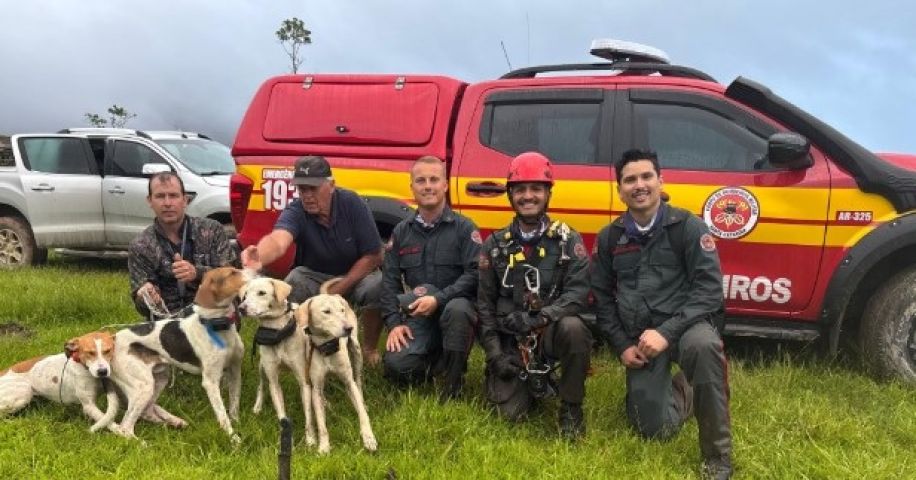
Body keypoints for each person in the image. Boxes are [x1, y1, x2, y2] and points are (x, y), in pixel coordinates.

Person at [590, 149, 733, 479]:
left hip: (687, 328)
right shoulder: (610, 237)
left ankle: (718, 458)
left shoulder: (688, 227)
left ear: (660, 181)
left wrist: (667, 333)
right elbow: (602, 298)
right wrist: (622, 345)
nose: (639, 185)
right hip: (640, 338)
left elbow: (709, 291)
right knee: (651, 428)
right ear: (619, 189)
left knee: (703, 348)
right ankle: (691, 389)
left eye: (646, 177)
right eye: (630, 179)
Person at [478, 151, 592, 439]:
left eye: (536, 189)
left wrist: (541, 317)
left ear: (548, 193)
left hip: (549, 332)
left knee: (574, 327)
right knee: (508, 415)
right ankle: (530, 381)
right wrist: (494, 356)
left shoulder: (568, 239)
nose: (528, 196)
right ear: (510, 195)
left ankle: (571, 407)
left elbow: (578, 294)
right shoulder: (494, 245)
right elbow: (485, 306)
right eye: (520, 190)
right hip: (510, 340)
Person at [241, 155, 385, 365]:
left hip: (357, 273)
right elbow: (279, 240)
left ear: (331, 185)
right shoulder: (296, 210)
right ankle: (301, 348)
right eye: (302, 189)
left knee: (378, 286)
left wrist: (340, 288)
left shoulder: (352, 203)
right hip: (316, 275)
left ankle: (368, 348)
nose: (307, 196)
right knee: (294, 281)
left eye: (313, 188)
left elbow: (374, 255)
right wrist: (259, 256)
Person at [381, 156, 480, 403]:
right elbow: (389, 281)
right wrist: (394, 323)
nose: (428, 186)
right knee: (396, 367)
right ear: (411, 187)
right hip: (419, 314)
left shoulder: (464, 228)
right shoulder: (402, 232)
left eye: (434, 180)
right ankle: (435, 363)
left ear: (445, 185)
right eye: (421, 180)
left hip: (456, 310)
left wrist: (439, 299)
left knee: (458, 310)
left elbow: (476, 274)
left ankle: (453, 383)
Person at [128, 171, 240, 319]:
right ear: (150, 201)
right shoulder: (140, 245)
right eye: (160, 196)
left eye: (173, 196)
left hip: (213, 319)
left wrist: (197, 273)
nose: (167, 203)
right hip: (168, 325)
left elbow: (232, 279)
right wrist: (146, 297)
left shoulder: (212, 230)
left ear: (185, 200)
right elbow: (142, 308)